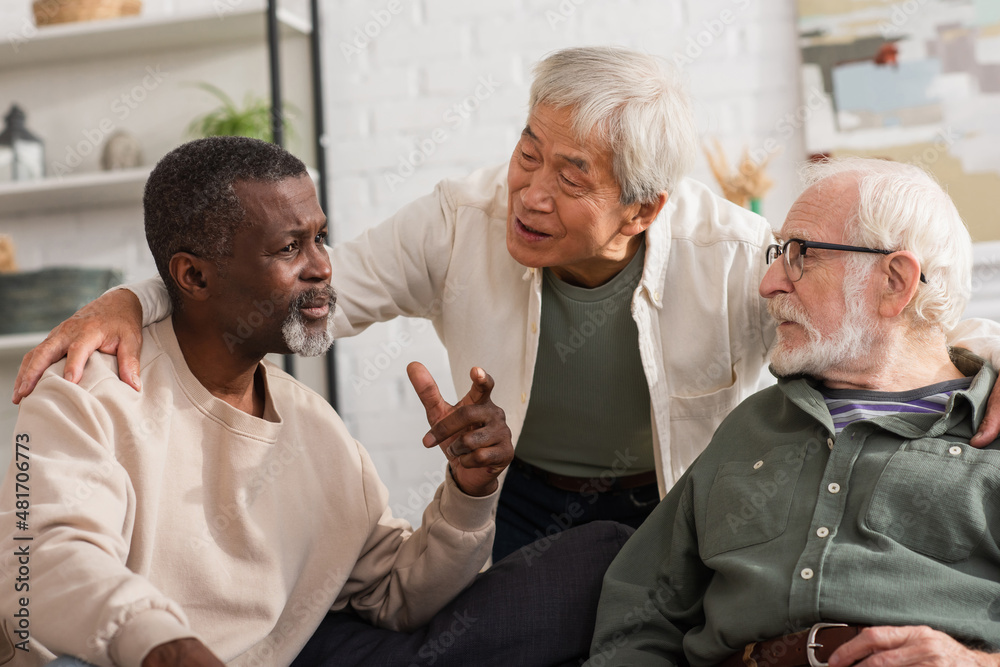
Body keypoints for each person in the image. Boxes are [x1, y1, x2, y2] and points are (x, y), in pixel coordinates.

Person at [12, 48, 1000, 563]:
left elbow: (885, 324)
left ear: (644, 205)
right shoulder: (458, 219)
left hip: (679, 498)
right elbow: (304, 306)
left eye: (572, 174)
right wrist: (134, 296)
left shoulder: (732, 252)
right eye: (529, 149)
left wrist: (991, 354)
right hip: (521, 494)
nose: (529, 189)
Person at [0, 136, 629, 667]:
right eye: (289, 247)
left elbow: (393, 595)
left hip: (293, 653)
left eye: (322, 238)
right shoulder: (85, 393)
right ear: (193, 277)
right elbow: (40, 567)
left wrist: (469, 491)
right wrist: (160, 643)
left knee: (599, 552)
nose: (324, 267)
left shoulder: (314, 428)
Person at [586, 157, 1000, 667]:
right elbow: (638, 616)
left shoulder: (990, 438)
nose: (770, 284)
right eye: (778, 253)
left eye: (802, 254)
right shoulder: (752, 425)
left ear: (895, 281)